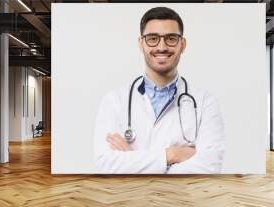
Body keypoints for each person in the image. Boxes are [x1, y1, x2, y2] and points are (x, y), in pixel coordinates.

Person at [93, 6, 225, 174]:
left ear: (182, 45)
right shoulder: (114, 100)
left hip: (182, 199)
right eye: (153, 38)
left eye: (171, 38)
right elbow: (106, 163)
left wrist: (133, 159)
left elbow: (210, 166)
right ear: (141, 44)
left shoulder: (205, 102)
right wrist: (171, 155)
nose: (161, 47)